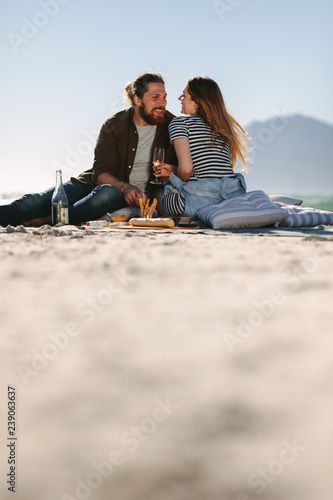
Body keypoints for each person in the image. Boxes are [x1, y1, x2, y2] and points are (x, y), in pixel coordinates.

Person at [0, 73, 176, 227]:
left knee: (105, 194)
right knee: (34, 202)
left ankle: (48, 220)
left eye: (164, 97)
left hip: (121, 195)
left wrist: (171, 171)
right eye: (155, 97)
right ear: (137, 99)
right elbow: (101, 173)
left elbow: (188, 168)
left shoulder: (173, 126)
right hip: (95, 183)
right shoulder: (114, 125)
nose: (162, 103)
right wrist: (125, 187)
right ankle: (40, 215)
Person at [154, 76, 251, 217]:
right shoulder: (223, 127)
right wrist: (174, 170)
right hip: (231, 200)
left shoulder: (179, 123)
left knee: (158, 195)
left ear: (196, 102)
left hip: (196, 201)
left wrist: (172, 176)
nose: (180, 99)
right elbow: (213, 171)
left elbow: (186, 170)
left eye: (184, 95)